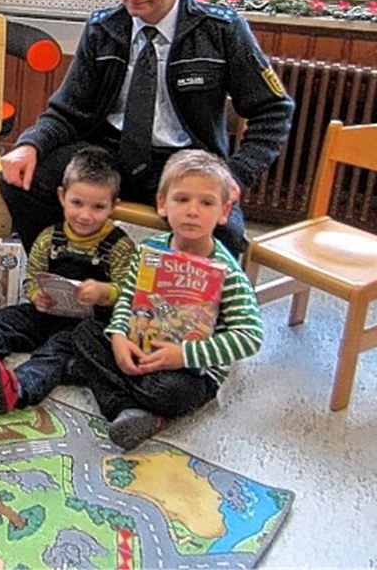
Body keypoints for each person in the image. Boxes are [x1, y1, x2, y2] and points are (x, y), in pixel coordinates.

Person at [0, 0, 293, 259]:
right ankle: (66, 271)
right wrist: (30, 145)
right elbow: (66, 112)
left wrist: (234, 175)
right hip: (108, 152)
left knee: (225, 235)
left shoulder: (221, 31)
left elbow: (274, 110)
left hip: (183, 159)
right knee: (19, 182)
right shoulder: (103, 29)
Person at [70, 149, 263, 450]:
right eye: (182, 199)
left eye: (206, 202)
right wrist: (119, 336)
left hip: (188, 371)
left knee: (173, 393)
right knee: (83, 335)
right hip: (139, 348)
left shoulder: (228, 273)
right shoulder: (149, 251)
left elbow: (250, 337)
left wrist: (183, 355)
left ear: (224, 211)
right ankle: (129, 411)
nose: (192, 211)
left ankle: (129, 405)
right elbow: (128, 300)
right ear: (163, 203)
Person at [0, 146, 136, 414]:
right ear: (62, 196)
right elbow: (32, 277)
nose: (85, 215)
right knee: (4, 320)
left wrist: (104, 291)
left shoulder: (119, 246)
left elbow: (129, 294)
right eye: (77, 203)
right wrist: (37, 295)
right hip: (47, 312)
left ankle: (18, 388)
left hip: (86, 325)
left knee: (55, 353)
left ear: (113, 207)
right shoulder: (49, 237)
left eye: (98, 207)